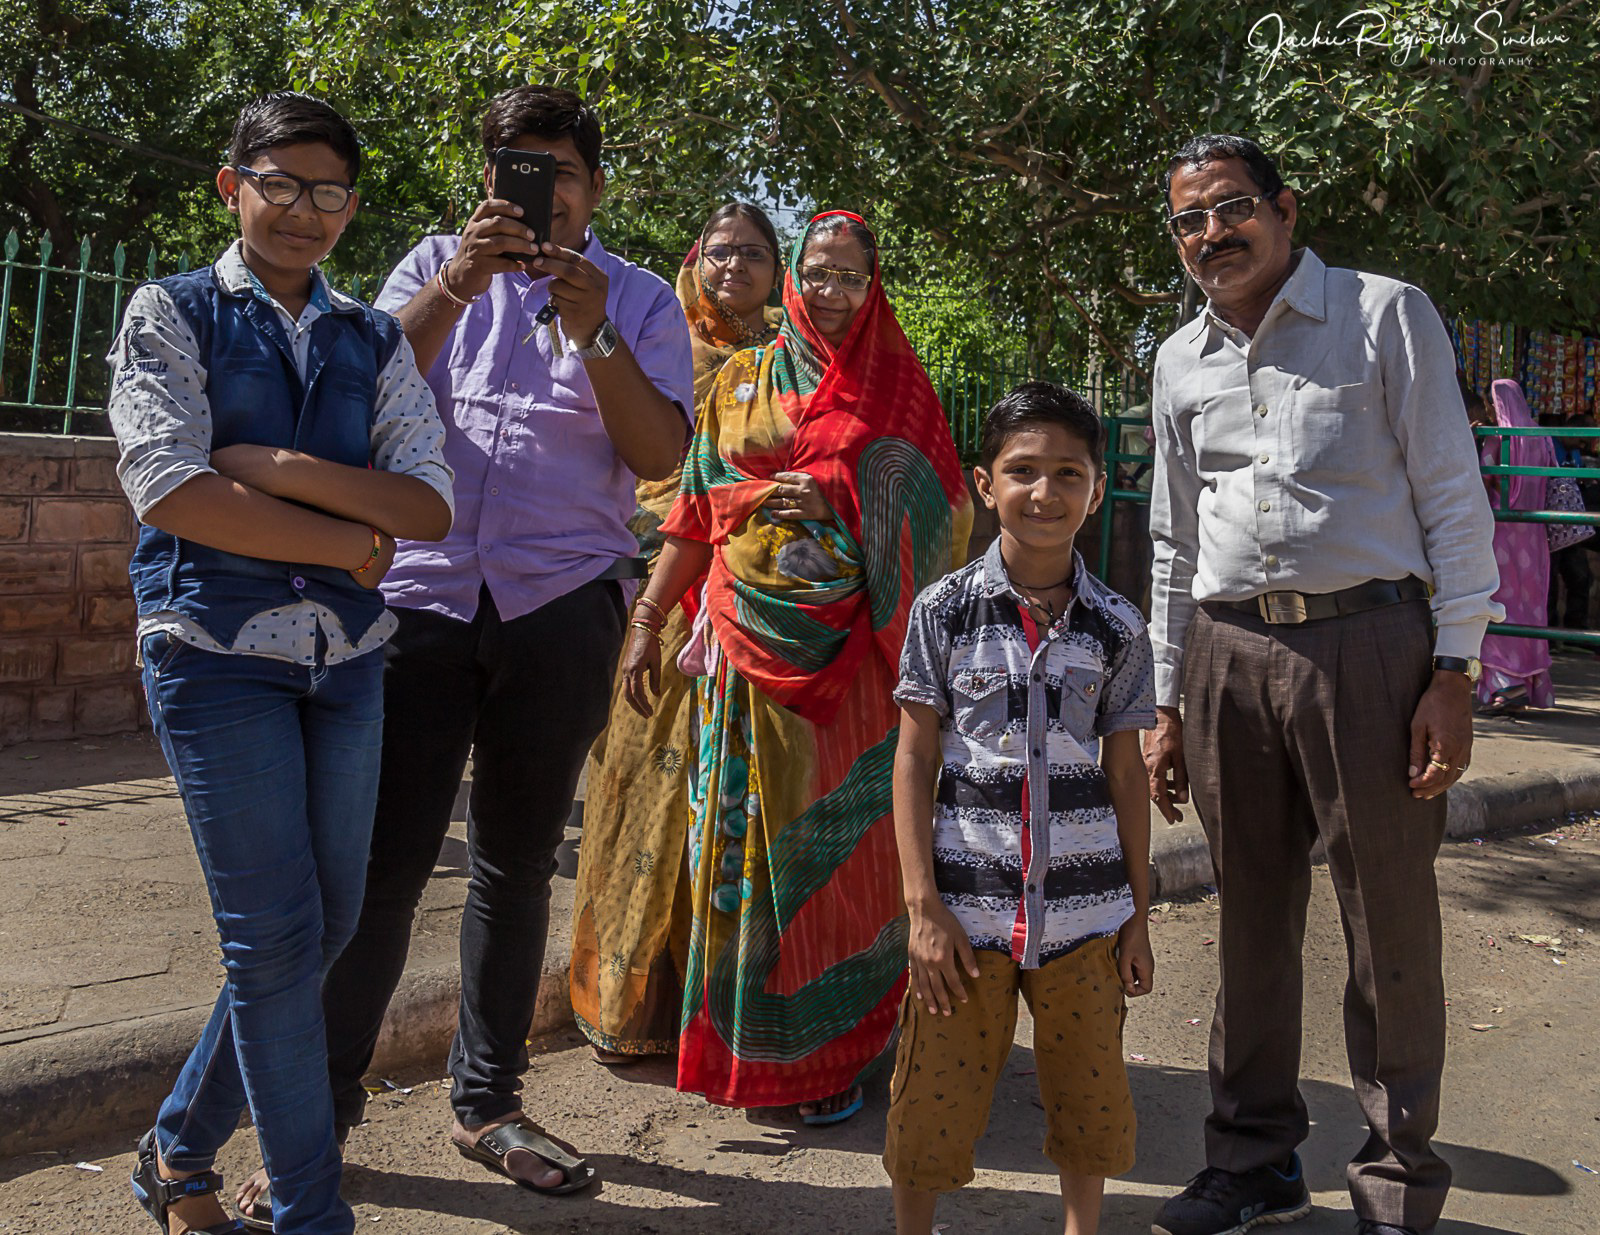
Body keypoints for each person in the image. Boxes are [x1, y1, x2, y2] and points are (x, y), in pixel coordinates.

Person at [234, 85, 694, 1221]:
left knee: (515, 859)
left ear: (594, 187)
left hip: (561, 603)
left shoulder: (634, 297)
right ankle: (320, 1118)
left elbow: (655, 452)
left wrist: (590, 331)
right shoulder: (433, 264)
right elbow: (356, 388)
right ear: (488, 183)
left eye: (564, 173)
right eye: (518, 171)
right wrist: (457, 283)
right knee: (381, 868)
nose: (543, 193)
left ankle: (487, 1102)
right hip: (419, 602)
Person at [107, 92, 454, 1235]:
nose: (305, 211)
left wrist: (273, 465)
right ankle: (312, 1212)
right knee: (271, 940)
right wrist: (354, 542)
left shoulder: (372, 337)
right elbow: (170, 488)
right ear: (232, 186)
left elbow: (429, 500)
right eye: (282, 183)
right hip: (213, 653)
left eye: (330, 192)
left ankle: (174, 1149)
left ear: (352, 208)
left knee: (331, 925)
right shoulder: (173, 311)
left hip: (346, 659)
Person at [1144, 134, 1501, 1235]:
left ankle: (1395, 1178)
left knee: (1383, 918)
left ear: (1285, 209)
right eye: (1190, 220)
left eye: (1232, 208)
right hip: (1224, 653)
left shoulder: (1384, 313)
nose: (1213, 234)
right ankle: (1252, 1159)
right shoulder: (1175, 358)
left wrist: (1453, 667)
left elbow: (1451, 492)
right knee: (1248, 914)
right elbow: (1170, 537)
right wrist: (1162, 699)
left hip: (1371, 650)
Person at [623, 210, 973, 1122]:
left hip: (851, 663)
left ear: (874, 283)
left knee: (835, 856)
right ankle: (742, 1047)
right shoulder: (742, 377)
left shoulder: (896, 387)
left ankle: (832, 1056)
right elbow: (696, 507)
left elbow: (947, 509)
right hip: (739, 654)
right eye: (816, 271)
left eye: (848, 274)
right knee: (735, 851)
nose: (828, 288)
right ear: (794, 278)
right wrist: (649, 615)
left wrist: (843, 494)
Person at [885, 382, 1156, 1235]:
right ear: (983, 483)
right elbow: (915, 754)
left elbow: (1127, 775)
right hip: (964, 916)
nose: (1045, 493)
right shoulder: (945, 611)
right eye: (1023, 471)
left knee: (1091, 1095)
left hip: (1086, 916)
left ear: (1098, 487)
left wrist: (1138, 916)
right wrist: (922, 907)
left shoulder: (1118, 627)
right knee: (932, 1098)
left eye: (1068, 472)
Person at [570, 202, 783, 1064]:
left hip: (757, 612)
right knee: (646, 800)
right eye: (722, 251)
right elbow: (638, 467)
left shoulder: (784, 366)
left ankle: (716, 1006)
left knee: (731, 809)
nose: (736, 267)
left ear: (778, 274)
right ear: (697, 258)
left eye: (757, 255)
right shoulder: (654, 341)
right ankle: (629, 1004)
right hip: (661, 602)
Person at [1476, 383, 1556, 712]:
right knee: (1531, 610)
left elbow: (1481, 480)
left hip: (1501, 534)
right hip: (1534, 536)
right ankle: (1529, 684)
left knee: (1497, 606)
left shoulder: (1499, 437)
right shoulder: (1539, 435)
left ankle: (1505, 686)